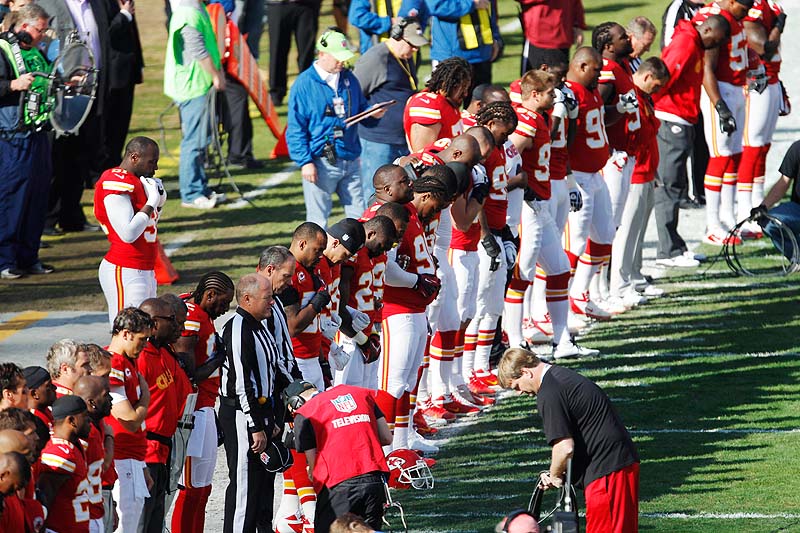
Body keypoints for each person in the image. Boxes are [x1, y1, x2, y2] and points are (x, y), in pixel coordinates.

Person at [498, 347, 640, 533]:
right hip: (616, 465)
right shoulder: (560, 377)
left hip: (607, 472)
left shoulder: (549, 392)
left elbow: (564, 448)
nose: (519, 392)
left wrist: (555, 476)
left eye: (516, 386)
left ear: (525, 372)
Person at [378, 171, 450, 451]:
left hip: (413, 308)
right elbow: (384, 269)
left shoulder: (407, 212)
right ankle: (385, 452)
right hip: (396, 310)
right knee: (392, 384)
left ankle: (401, 444)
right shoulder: (386, 216)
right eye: (405, 183)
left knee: (407, 381)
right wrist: (417, 280)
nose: (412, 186)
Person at [652, 14, 730, 267]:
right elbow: (662, 79)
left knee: (677, 185)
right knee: (669, 186)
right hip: (671, 118)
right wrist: (657, 112)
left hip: (682, 118)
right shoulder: (686, 43)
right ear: (706, 29)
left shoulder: (693, 42)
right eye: (714, 40)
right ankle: (667, 251)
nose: (713, 46)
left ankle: (675, 245)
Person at [287, 28, 379, 228]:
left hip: (351, 157)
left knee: (359, 217)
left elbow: (360, 108)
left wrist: (372, 112)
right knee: (317, 221)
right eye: (338, 58)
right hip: (321, 162)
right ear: (322, 54)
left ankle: (356, 258)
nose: (342, 63)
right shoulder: (303, 84)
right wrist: (305, 162)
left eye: (343, 58)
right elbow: (296, 128)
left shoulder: (349, 79)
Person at [220, 274, 290, 533]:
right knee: (244, 486)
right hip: (241, 415)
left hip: (261, 412)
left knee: (262, 482)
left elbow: (274, 370)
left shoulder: (261, 325)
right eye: (267, 298)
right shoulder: (238, 328)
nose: (272, 303)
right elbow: (241, 384)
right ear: (247, 299)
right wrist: (256, 425)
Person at [171, 272, 235, 533]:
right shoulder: (191, 316)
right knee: (191, 487)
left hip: (205, 406)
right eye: (222, 302)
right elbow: (188, 372)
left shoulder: (199, 310)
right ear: (209, 295)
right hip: (191, 410)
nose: (225, 309)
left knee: (203, 487)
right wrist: (220, 357)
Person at [38, 0, 108, 235]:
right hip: (61, 92)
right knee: (58, 156)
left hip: (90, 88)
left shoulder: (94, 5)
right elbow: (44, 45)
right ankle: (49, 217)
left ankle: (72, 215)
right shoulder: (48, 3)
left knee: (80, 155)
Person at [287, 380, 392, 533]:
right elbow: (386, 437)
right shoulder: (360, 393)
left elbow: (314, 467)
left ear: (295, 403)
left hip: (338, 486)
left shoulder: (304, 413)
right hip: (373, 479)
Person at [0, 3, 54, 280]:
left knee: (37, 195)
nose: (42, 36)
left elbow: (45, 81)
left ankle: (29, 256)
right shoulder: (3, 48)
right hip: (13, 135)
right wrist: (11, 85)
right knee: (13, 197)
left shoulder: (35, 50)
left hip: (38, 130)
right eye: (39, 30)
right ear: (23, 27)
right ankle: (5, 259)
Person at [609, 58, 670, 304]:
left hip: (646, 170)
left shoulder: (642, 97)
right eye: (655, 86)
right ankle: (620, 285)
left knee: (638, 232)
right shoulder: (629, 96)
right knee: (626, 232)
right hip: (633, 172)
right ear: (646, 77)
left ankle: (633, 276)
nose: (656, 91)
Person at [693, 0, 753, 245]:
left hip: (737, 89)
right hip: (720, 91)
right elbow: (707, 66)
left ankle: (728, 217)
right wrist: (719, 104)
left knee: (734, 155)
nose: (747, 11)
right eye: (743, 6)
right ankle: (712, 223)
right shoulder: (716, 21)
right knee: (720, 157)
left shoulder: (734, 18)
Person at [563, 47, 615, 322]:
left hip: (596, 174)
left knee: (605, 234)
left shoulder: (591, 89)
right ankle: (561, 302)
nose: (600, 75)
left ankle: (580, 294)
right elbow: (561, 141)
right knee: (575, 243)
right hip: (578, 178)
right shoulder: (568, 94)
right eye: (596, 69)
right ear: (582, 66)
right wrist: (568, 177)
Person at [354, 17, 428, 203]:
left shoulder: (405, 55)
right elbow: (354, 94)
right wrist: (370, 111)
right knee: (375, 196)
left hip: (401, 139)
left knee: (401, 194)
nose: (415, 50)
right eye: (412, 45)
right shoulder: (376, 58)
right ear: (397, 36)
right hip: (379, 141)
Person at [94, 136, 166, 324]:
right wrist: (152, 202)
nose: (155, 168)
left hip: (145, 268)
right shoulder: (115, 181)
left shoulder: (139, 181)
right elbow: (128, 233)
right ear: (134, 157)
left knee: (146, 331)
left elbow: (148, 226)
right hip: (125, 268)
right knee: (127, 333)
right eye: (152, 162)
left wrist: (159, 204)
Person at [164, 0, 226, 209]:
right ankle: (191, 193)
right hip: (193, 85)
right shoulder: (188, 13)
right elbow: (198, 50)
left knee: (202, 139)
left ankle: (201, 187)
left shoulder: (195, 9)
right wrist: (216, 75)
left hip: (198, 83)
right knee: (195, 141)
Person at [136, 298, 192, 533]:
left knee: (156, 516)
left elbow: (184, 391)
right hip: (147, 451)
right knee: (142, 519)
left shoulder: (164, 354)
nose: (178, 326)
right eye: (171, 320)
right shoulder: (141, 359)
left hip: (164, 449)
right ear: (154, 324)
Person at [737, 0, 785, 237]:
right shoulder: (752, 6)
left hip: (771, 80)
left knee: (762, 148)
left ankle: (758, 209)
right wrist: (778, 25)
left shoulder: (766, 4)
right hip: (757, 83)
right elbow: (763, 46)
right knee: (751, 148)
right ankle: (744, 214)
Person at [106, 307, 153, 533]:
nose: (144, 345)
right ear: (125, 333)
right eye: (142, 339)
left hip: (132, 459)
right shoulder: (113, 364)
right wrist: (146, 396)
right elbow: (130, 419)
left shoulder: (127, 362)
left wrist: (142, 464)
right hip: (121, 459)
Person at [662, 0, 710, 206]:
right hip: (681, 86)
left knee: (699, 137)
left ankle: (700, 188)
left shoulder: (702, 8)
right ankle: (684, 192)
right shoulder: (677, 9)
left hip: (697, 80)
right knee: (682, 144)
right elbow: (669, 48)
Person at [283, 222, 330, 389]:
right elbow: (292, 328)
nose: (320, 256)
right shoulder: (288, 272)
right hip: (297, 358)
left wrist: (323, 361)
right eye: (317, 250)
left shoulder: (310, 269)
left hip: (312, 358)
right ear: (302, 244)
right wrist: (317, 303)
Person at [37, 395, 93, 533]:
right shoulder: (60, 453)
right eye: (85, 417)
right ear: (72, 420)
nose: (89, 421)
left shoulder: (75, 444)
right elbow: (45, 499)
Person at [104, 0, 144, 169]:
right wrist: (124, 15)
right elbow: (107, 33)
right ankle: (103, 165)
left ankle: (114, 161)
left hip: (127, 70)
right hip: (111, 73)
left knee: (121, 122)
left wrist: (138, 64)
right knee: (109, 123)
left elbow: (133, 34)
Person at [425, 0, 501, 87]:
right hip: (451, 56)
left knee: (481, 98)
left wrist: (495, 37)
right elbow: (437, 6)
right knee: (448, 98)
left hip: (482, 53)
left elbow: (490, 6)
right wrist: (472, 4)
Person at [403, 56, 471, 151]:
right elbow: (422, 154)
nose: (465, 93)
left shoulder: (447, 102)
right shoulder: (428, 104)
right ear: (445, 84)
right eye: (462, 88)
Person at [73, 375, 114, 533]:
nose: (110, 399)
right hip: (87, 514)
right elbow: (103, 465)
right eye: (105, 395)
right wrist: (110, 437)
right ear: (91, 403)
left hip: (96, 506)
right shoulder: (88, 433)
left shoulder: (97, 425)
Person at [751, 140, 800, 260]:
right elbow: (783, 183)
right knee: (769, 222)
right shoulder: (797, 148)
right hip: (798, 208)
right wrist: (763, 207)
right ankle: (797, 257)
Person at [265, 0, 320, 106]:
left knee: (307, 54)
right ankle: (276, 93)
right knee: (277, 51)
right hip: (278, 5)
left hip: (307, 6)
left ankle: (307, 91)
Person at [518, 0, 585, 75]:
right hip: (537, 37)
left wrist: (577, 23)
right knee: (532, 82)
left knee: (560, 81)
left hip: (562, 35)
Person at [348, 0, 426, 54]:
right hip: (378, 50)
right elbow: (357, 17)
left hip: (407, 52)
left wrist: (416, 36)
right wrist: (390, 22)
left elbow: (423, 15)